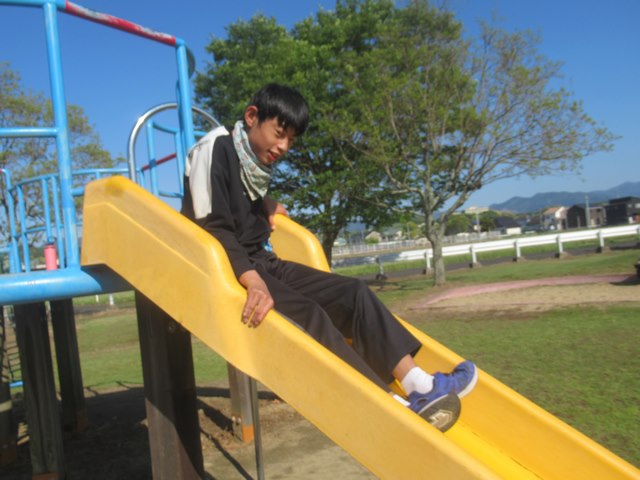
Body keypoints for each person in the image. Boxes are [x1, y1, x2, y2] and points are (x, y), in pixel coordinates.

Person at [181, 83, 477, 432]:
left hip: (263, 261)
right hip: (230, 269)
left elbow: (238, 207)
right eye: (279, 133)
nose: (283, 147)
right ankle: (388, 406)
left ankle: (420, 385)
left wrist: (264, 205)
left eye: (291, 140)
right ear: (251, 117)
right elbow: (213, 226)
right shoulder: (214, 148)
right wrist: (252, 279)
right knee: (310, 315)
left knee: (354, 293)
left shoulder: (253, 165)